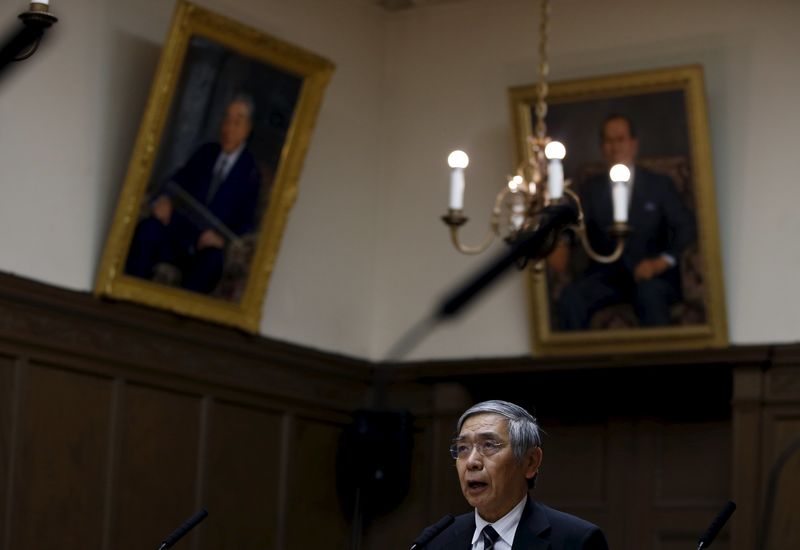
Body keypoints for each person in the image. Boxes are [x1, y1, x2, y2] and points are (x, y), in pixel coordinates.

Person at [554, 113, 696, 329]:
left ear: (633, 144)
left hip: (653, 277)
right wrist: (560, 242)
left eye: (620, 139)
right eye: (609, 141)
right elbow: (574, 227)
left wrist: (660, 262)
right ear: (602, 147)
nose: (615, 147)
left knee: (649, 296)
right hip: (606, 278)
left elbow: (685, 227)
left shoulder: (659, 184)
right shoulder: (591, 189)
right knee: (571, 298)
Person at [417, 400, 609, 549]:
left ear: (530, 461)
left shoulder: (575, 541)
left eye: (489, 445)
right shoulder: (438, 541)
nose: (472, 462)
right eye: (463, 448)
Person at [125, 95, 262, 294]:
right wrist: (163, 199)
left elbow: (245, 223)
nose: (228, 128)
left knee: (212, 262)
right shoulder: (206, 152)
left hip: (206, 248)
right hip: (179, 233)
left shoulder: (251, 172)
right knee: (148, 229)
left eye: (236, 122)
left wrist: (221, 239)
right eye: (226, 120)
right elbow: (175, 182)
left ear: (247, 128)